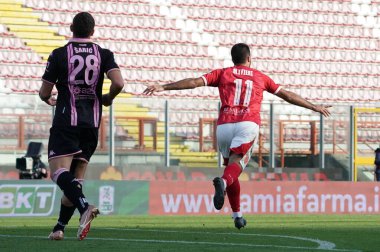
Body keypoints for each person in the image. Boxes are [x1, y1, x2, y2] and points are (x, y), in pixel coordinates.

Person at [143, 43, 331, 229]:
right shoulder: (260, 77)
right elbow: (287, 95)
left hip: (224, 125)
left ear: (233, 59)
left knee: (231, 168)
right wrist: (314, 106)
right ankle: (223, 183)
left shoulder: (223, 73)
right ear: (249, 58)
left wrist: (163, 87)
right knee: (234, 168)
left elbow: (194, 82)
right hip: (247, 124)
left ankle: (237, 215)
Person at [39, 12, 124, 240]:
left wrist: (47, 99)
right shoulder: (103, 54)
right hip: (92, 123)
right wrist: (108, 98)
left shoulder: (59, 54)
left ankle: (85, 206)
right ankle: (59, 228)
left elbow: (44, 92)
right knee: (75, 180)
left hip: (68, 120)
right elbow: (119, 82)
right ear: (93, 31)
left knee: (58, 173)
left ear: (70, 28)